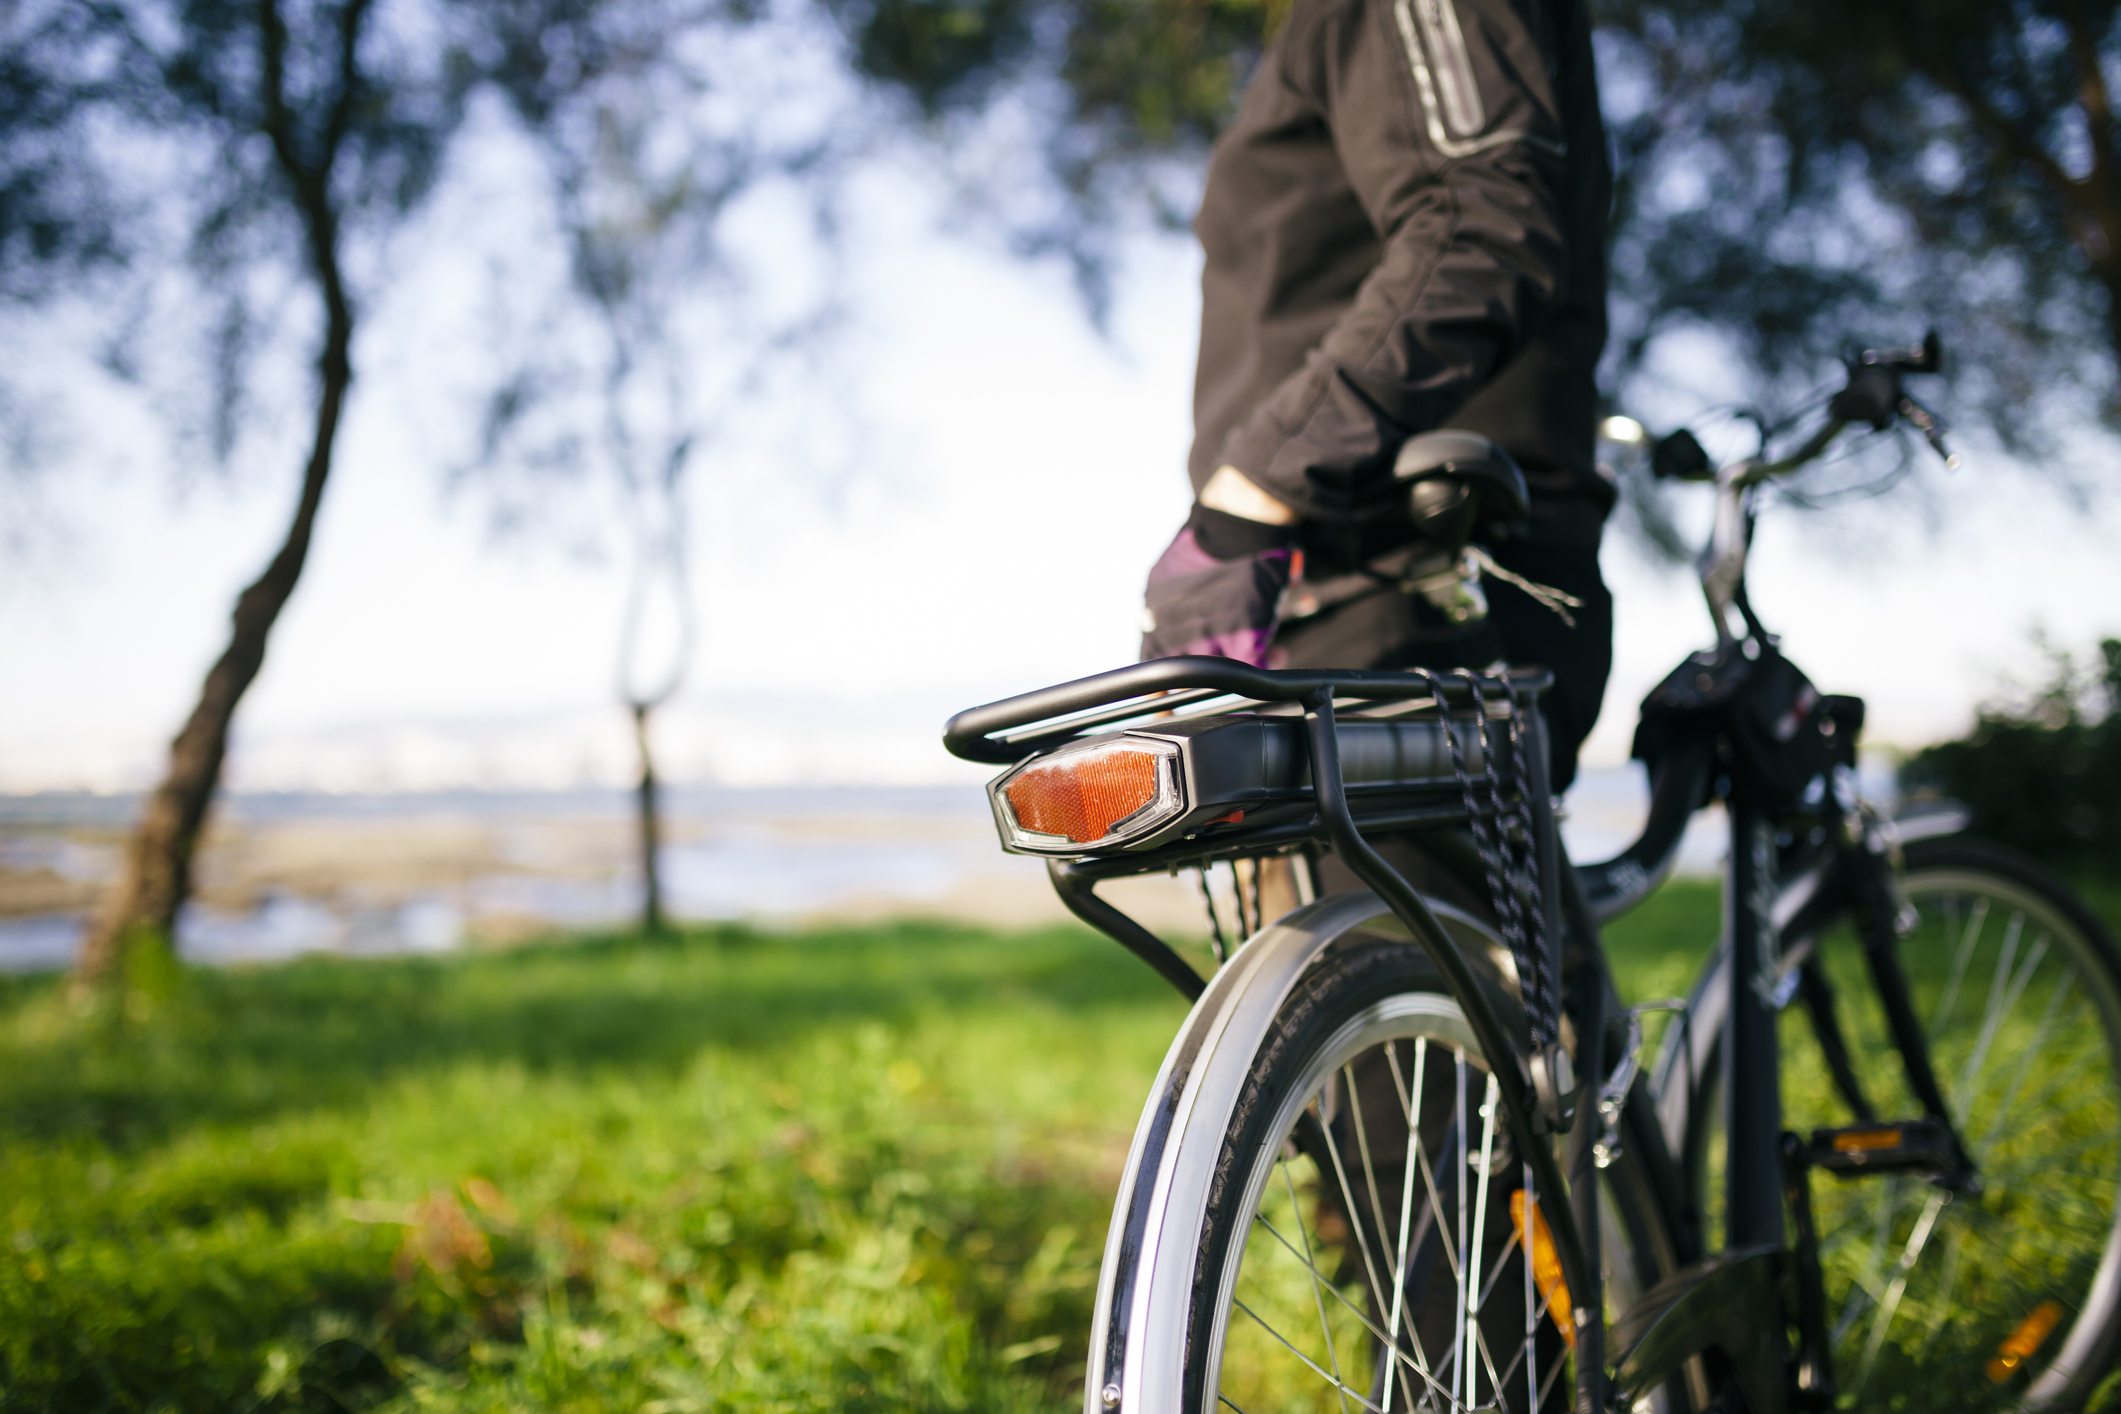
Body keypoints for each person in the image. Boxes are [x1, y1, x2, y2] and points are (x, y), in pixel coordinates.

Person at [1139, 0, 1615, 793]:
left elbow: (1481, 224)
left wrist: (1252, 492)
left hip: (1412, 596)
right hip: (1333, 602)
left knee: (1409, 923)